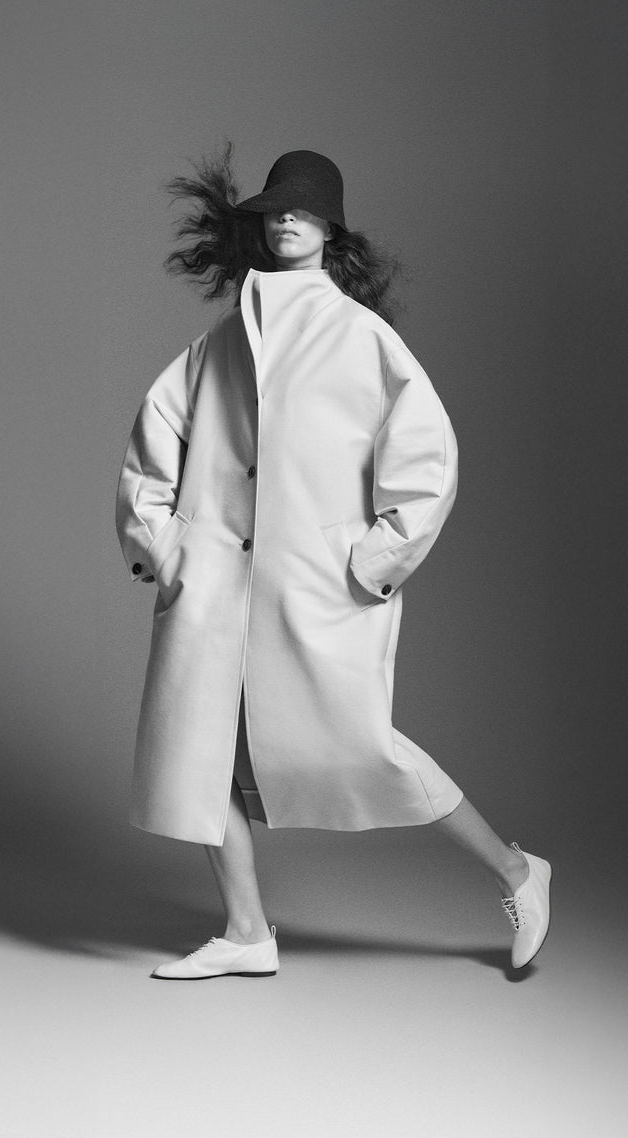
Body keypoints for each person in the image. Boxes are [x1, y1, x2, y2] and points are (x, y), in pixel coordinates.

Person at [116, 148, 551, 980]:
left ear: (331, 230)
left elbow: (428, 461)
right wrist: (164, 546)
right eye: (276, 207)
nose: (287, 218)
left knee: (363, 748)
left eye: (305, 208)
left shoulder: (362, 337)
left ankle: (518, 871)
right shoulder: (220, 342)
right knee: (203, 747)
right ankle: (247, 931)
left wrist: (372, 560)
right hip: (214, 584)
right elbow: (152, 439)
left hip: (318, 588)